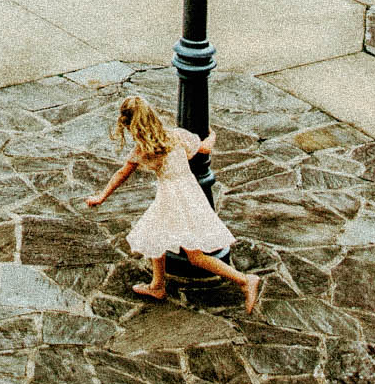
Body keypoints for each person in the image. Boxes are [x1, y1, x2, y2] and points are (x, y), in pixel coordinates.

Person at [86, 94, 260, 313]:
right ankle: (157, 285)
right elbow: (204, 148)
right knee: (154, 236)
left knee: (194, 256)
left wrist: (101, 197)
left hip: (173, 200)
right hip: (188, 194)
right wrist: (213, 135)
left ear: (132, 126)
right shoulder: (175, 136)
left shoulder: (143, 151)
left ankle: (245, 280)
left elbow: (121, 175)